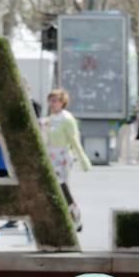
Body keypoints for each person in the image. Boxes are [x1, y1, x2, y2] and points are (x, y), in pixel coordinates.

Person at [38, 87, 90, 233]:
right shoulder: (49, 119)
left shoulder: (67, 118)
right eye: (50, 101)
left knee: (63, 188)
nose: (52, 104)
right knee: (52, 189)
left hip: (62, 157)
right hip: (50, 156)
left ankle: (76, 217)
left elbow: (75, 140)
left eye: (55, 101)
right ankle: (61, 220)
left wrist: (83, 160)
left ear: (62, 102)